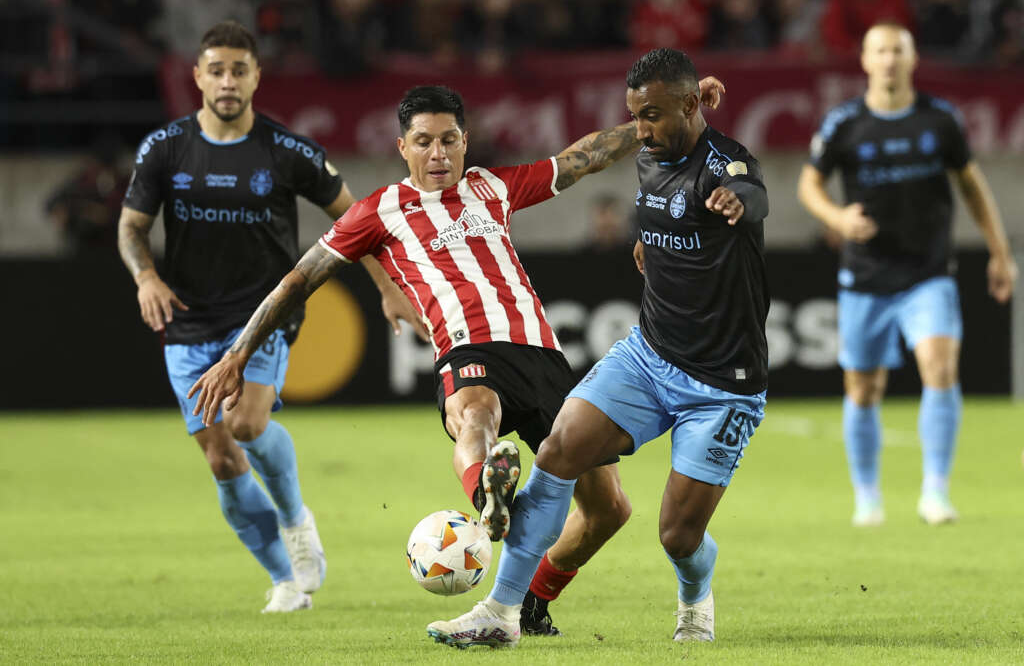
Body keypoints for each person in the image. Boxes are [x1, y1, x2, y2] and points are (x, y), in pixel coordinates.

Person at [186, 79, 726, 636]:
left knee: (608, 509)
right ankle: (486, 491)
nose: (438, 154)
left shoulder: (494, 187)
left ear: (465, 141)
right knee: (475, 411)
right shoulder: (378, 212)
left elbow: (583, 157)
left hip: (542, 355)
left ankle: (532, 601)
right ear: (403, 147)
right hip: (468, 347)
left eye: (448, 140)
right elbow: (299, 280)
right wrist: (238, 354)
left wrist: (653, 120)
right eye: (423, 142)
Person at [427, 47, 770, 648]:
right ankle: (501, 613)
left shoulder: (726, 165)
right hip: (648, 357)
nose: (642, 130)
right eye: (636, 116)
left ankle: (695, 596)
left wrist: (738, 201)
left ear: (691, 105)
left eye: (652, 116)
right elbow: (659, 208)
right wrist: (649, 243)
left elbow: (752, 191)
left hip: (722, 384)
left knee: (678, 537)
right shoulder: (650, 156)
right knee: (557, 451)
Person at [117, 21, 422, 614]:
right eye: (217, 70)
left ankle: (294, 517)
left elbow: (355, 219)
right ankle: (286, 579)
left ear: (257, 77)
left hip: (264, 312)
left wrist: (387, 286)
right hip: (188, 319)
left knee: (246, 424)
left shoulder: (288, 151)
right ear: (198, 76)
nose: (228, 81)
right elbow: (132, 226)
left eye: (239, 70)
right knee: (220, 458)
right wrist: (145, 276)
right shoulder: (165, 148)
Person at [797, 23, 1017, 527]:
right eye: (880, 50)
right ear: (865, 60)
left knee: (940, 368)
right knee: (863, 388)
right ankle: (867, 498)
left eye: (898, 50)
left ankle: (935, 492)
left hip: (928, 273)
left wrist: (1000, 253)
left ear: (913, 59)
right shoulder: (844, 123)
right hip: (866, 276)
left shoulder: (940, 120)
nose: (889, 59)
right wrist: (838, 219)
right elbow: (809, 185)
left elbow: (972, 185)